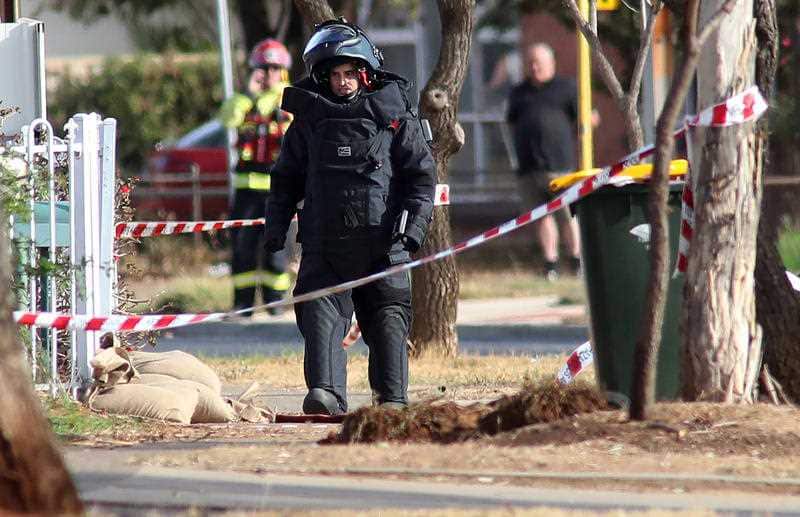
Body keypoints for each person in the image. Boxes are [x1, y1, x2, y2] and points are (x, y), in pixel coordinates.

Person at [264, 19, 436, 415]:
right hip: (325, 247)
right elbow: (285, 177)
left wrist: (412, 230)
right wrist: (276, 228)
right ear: (323, 78)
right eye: (335, 75)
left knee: (388, 317)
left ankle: (391, 399)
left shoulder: (395, 118)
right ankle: (325, 393)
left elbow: (421, 179)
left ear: (365, 73)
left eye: (349, 74)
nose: (342, 82)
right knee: (319, 313)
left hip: (384, 245)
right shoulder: (308, 122)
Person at [218, 39, 293, 313]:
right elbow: (227, 119)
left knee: (277, 250)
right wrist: (248, 95)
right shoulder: (243, 98)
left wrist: (276, 94)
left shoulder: (291, 97)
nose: (269, 72)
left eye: (274, 67)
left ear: (283, 70)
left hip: (279, 190)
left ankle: (276, 304)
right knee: (242, 249)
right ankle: (243, 305)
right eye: (264, 67)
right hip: (246, 189)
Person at [506, 42, 582, 281]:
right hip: (529, 168)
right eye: (530, 62)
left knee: (568, 216)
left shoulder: (566, 88)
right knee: (541, 218)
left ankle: (576, 260)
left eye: (539, 62)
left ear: (551, 63)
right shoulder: (519, 92)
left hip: (559, 167)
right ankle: (550, 263)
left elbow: (586, 119)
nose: (534, 67)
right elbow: (511, 122)